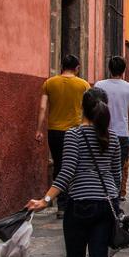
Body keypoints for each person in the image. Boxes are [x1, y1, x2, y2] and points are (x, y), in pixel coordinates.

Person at [26, 88, 129, 257]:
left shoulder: (74, 135)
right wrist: (115, 203)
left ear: (82, 109)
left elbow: (66, 173)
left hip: (81, 204)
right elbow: (116, 174)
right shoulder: (111, 136)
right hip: (106, 203)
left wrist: (45, 200)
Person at [35, 54, 91, 218]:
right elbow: (88, 109)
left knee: (59, 165)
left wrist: (39, 130)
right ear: (77, 68)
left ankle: (62, 206)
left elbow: (43, 109)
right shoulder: (84, 85)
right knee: (75, 166)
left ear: (62, 66)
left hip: (55, 131)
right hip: (76, 131)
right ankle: (74, 201)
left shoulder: (49, 83)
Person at [95, 57, 129, 201]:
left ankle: (103, 193)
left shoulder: (99, 85)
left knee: (101, 163)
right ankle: (115, 195)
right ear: (124, 70)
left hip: (102, 131)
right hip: (121, 133)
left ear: (109, 68)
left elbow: (94, 109)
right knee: (119, 166)